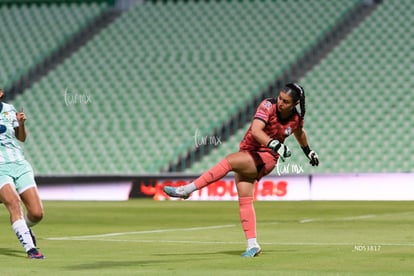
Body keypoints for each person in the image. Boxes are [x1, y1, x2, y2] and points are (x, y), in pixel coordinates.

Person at [163, 83, 319, 257]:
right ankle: (253, 245)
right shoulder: (268, 105)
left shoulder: (296, 119)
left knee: (230, 161)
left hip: (265, 158)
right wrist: (275, 144)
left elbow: (300, 133)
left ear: (295, 103)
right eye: (280, 98)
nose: (281, 103)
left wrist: (308, 151)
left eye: (286, 101)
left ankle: (186, 190)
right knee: (245, 200)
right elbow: (256, 131)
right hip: (249, 152)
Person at [0, 88, 44, 259]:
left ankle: (24, 228)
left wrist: (21, 124)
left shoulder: (9, 110)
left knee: (36, 213)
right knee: (14, 203)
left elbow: (21, 138)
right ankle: (31, 249)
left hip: (19, 164)